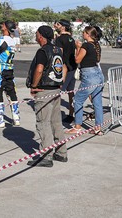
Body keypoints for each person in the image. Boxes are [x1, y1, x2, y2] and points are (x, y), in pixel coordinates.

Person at [25, 25, 68, 167]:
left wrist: (34, 85)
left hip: (44, 90)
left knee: (43, 122)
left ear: (41, 36)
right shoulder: (57, 50)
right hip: (55, 89)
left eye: (37, 34)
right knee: (56, 122)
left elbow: (39, 69)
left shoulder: (43, 51)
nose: (35, 36)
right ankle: (61, 153)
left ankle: (46, 156)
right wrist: (60, 81)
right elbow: (64, 68)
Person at [66, 25, 104, 135]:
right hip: (98, 74)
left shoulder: (86, 45)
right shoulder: (96, 45)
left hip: (89, 75)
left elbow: (77, 59)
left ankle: (77, 126)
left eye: (84, 32)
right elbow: (97, 59)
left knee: (77, 100)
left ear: (88, 34)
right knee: (97, 102)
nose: (82, 34)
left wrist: (78, 48)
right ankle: (98, 127)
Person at [53, 20, 78, 125]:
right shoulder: (72, 39)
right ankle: (71, 114)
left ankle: (54, 115)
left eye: (58, 24)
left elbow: (59, 55)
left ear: (63, 27)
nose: (55, 26)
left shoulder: (59, 39)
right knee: (70, 91)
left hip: (64, 68)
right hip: (73, 67)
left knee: (58, 91)